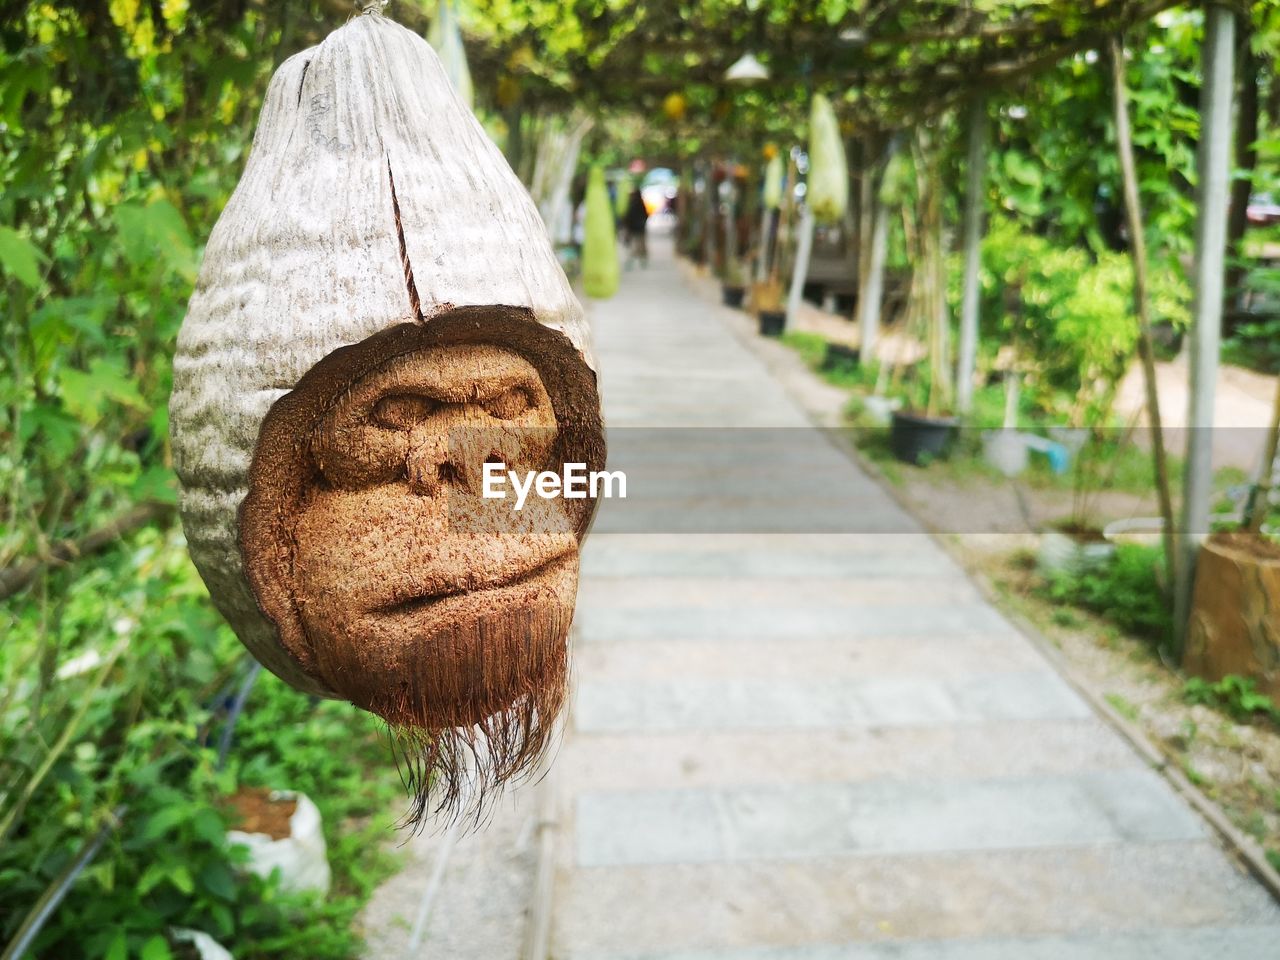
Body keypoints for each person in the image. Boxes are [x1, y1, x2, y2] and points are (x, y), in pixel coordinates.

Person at [622, 186, 649, 268]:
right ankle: (642, 261)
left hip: (635, 228)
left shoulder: (633, 204)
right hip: (639, 228)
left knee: (635, 246)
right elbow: (646, 215)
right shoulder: (640, 203)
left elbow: (628, 217)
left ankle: (636, 262)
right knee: (640, 246)